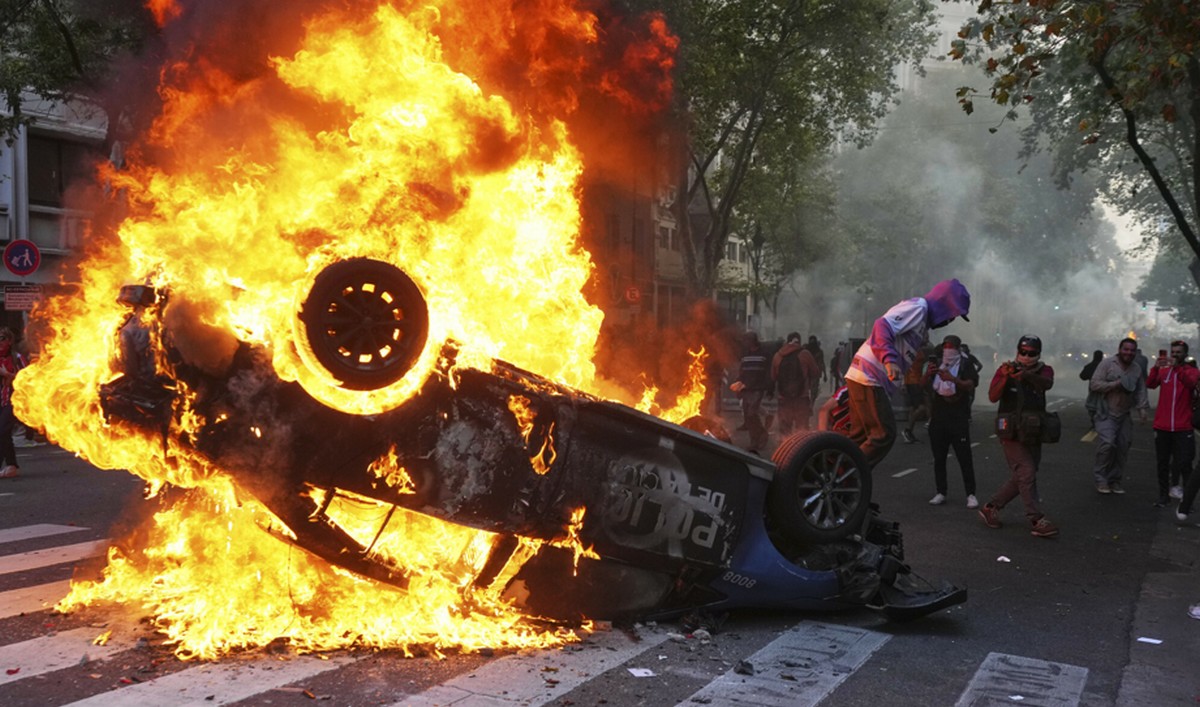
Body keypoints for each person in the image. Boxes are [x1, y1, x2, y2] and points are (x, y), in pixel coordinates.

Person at [844, 279, 971, 471]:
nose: (950, 321)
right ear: (943, 303)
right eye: (952, 315)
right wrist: (889, 360)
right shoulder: (918, 308)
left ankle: (841, 482)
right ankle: (849, 477)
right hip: (870, 376)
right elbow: (882, 326)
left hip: (865, 376)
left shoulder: (922, 324)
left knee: (860, 436)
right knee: (883, 435)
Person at [977, 335, 1058, 537]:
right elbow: (993, 396)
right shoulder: (1005, 369)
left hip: (1033, 430)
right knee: (1027, 472)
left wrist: (1026, 375)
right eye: (1023, 352)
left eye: (1031, 353)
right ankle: (1036, 518)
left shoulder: (1044, 370)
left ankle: (991, 507)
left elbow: (1046, 384)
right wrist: (1005, 377)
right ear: (1017, 351)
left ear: (1038, 354)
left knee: (1023, 475)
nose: (1026, 356)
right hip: (1010, 430)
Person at [1089, 337, 1149, 494]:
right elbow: (1094, 384)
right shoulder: (1107, 364)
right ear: (1119, 349)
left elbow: (1141, 389)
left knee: (1123, 446)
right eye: (1126, 349)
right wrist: (1114, 385)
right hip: (1106, 412)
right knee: (1108, 444)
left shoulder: (1136, 369)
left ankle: (1114, 480)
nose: (1128, 353)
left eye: (1131, 350)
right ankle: (1101, 479)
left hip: (1124, 414)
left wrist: (1142, 409)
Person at [925, 335, 979, 508]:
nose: (948, 349)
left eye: (951, 346)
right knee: (939, 458)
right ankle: (941, 491)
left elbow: (970, 385)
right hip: (939, 417)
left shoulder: (965, 363)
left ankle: (970, 494)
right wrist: (928, 374)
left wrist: (952, 379)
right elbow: (922, 385)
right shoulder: (938, 362)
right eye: (945, 346)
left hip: (958, 418)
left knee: (964, 458)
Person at [1147, 341, 1199, 507]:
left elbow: (1191, 384)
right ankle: (1163, 495)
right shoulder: (1164, 371)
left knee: (1185, 463)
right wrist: (1156, 367)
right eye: (1173, 352)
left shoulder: (1192, 371)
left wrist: (1177, 368)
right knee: (1162, 463)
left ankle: (1187, 500)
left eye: (1179, 352)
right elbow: (1150, 384)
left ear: (1185, 354)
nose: (1175, 355)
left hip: (1183, 427)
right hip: (1162, 426)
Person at [772, 332, 821, 436]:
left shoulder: (778, 355)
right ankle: (801, 451)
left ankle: (785, 450)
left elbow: (773, 376)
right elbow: (815, 372)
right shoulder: (805, 354)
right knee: (802, 431)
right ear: (799, 341)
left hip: (783, 398)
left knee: (785, 431)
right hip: (801, 398)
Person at [733, 332, 771, 450]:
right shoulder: (745, 356)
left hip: (757, 389)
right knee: (748, 417)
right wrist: (738, 385)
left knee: (752, 414)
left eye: (747, 340)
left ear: (753, 341)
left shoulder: (763, 355)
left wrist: (769, 388)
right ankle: (754, 439)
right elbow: (741, 373)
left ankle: (761, 436)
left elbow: (768, 373)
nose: (745, 343)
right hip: (746, 389)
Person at [0, 327, 27, 479]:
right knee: (3, 434)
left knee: (3, 430)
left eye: (2, 338)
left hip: (12, 400)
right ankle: (11, 465)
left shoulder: (17, 358)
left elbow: (29, 380)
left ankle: (11, 465)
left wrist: (9, 375)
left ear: (9, 341)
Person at [901, 346, 933, 443]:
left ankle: (910, 431)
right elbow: (904, 366)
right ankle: (907, 430)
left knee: (915, 407)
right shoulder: (909, 349)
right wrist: (903, 383)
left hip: (917, 380)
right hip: (913, 382)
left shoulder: (920, 349)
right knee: (921, 407)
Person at [1079, 349, 1105, 427]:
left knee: (1092, 405)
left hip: (1093, 388)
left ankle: (1094, 420)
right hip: (1104, 388)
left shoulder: (1090, 366)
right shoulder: (1105, 366)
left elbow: (1082, 376)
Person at [805, 335, 827, 400]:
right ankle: (810, 402)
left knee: (813, 390)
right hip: (810, 372)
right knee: (810, 389)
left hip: (813, 372)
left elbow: (822, 363)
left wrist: (825, 374)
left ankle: (811, 402)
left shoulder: (806, 351)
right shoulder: (806, 351)